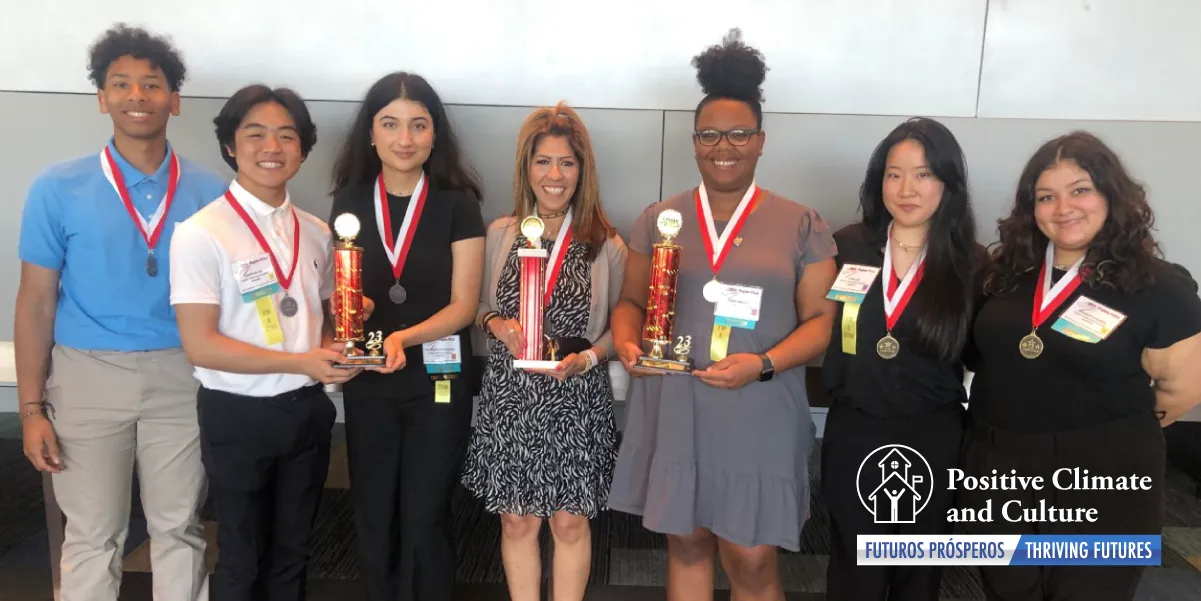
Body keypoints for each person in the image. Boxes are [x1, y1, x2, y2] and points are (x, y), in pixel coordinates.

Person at [608, 29, 839, 601]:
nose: (723, 146)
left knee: (751, 557)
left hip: (757, 406)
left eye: (738, 133)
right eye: (709, 134)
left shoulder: (801, 222)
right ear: (694, 142)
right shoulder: (660, 217)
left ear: (761, 140)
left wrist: (760, 364)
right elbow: (632, 303)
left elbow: (820, 325)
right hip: (676, 403)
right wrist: (630, 345)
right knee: (685, 545)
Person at [14, 24, 226, 601]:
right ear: (102, 98)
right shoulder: (58, 187)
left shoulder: (213, 192)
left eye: (152, 84)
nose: (137, 95)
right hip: (86, 377)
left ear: (173, 100)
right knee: (91, 535)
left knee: (179, 530)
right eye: (121, 84)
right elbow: (35, 301)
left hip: (183, 375)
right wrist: (31, 408)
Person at [960, 131, 1201, 601]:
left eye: (1080, 190)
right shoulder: (1004, 272)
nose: (1063, 207)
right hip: (998, 467)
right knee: (1008, 590)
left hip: (1103, 474)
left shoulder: (1157, 286)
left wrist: (1099, 438)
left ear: (1111, 195)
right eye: (1046, 197)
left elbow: (1179, 390)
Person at [170, 84, 364, 601]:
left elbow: (321, 320)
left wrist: (345, 328)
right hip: (237, 414)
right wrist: (304, 360)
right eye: (255, 134)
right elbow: (200, 346)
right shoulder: (201, 233)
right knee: (241, 553)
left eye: (286, 135)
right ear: (231, 146)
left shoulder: (316, 231)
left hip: (305, 411)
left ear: (302, 149)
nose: (271, 147)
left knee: (295, 550)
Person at [327, 71, 486, 601]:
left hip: (438, 380)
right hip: (370, 381)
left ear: (435, 134)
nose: (404, 138)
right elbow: (344, 293)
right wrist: (356, 308)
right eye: (390, 124)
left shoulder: (458, 203)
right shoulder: (349, 201)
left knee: (425, 512)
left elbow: (464, 305)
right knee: (373, 509)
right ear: (370, 133)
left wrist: (404, 338)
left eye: (418, 125)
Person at [461, 103, 626, 601]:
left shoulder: (607, 244)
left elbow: (623, 327)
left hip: (576, 392)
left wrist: (591, 359)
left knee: (570, 523)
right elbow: (478, 306)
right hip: (512, 395)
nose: (555, 175)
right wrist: (496, 324)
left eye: (567, 163)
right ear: (526, 168)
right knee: (516, 521)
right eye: (543, 162)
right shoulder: (500, 234)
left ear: (583, 170)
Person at [820, 117, 983, 601]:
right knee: (854, 564)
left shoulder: (973, 263)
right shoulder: (846, 246)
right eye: (894, 174)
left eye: (924, 174)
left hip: (934, 434)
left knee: (920, 569)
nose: (906, 188)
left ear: (948, 183)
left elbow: (985, 355)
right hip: (856, 426)